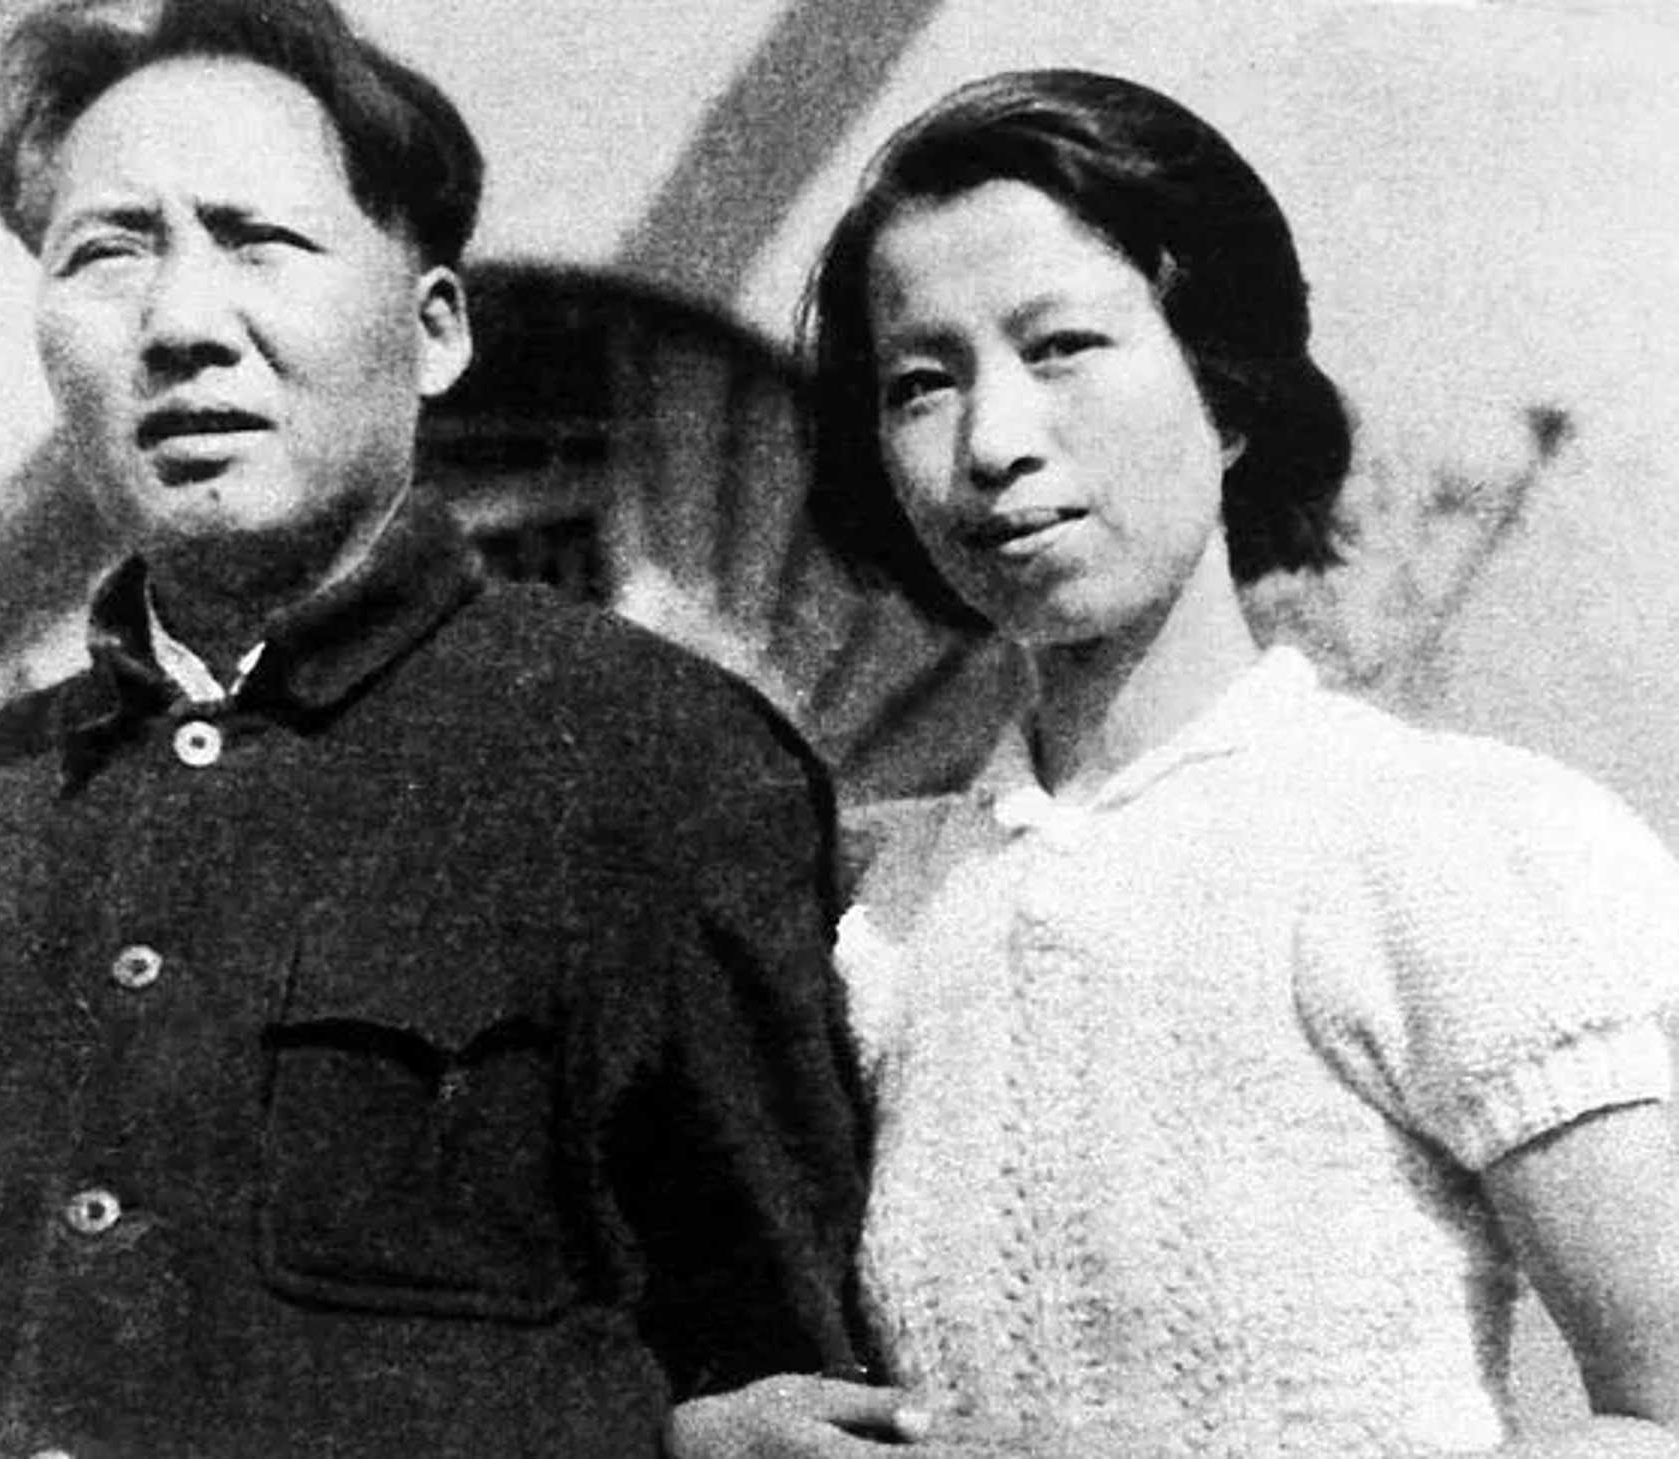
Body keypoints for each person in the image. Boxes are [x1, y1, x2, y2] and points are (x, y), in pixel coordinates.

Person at [0, 1, 866, 1454]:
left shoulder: (660, 766)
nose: (180, 324)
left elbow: (782, 1394)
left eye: (260, 240)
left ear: (435, 330)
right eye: (106, 251)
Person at [670, 70, 1679, 1459]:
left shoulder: (1438, 841)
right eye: (921, 384)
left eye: (1062, 346)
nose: (995, 444)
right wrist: (704, 1437)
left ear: (1228, 391)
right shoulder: (876, 910)